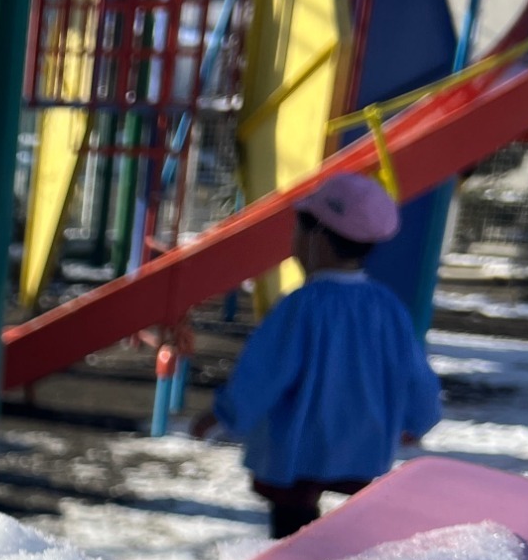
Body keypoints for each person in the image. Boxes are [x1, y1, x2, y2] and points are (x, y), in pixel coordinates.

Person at [190, 172, 443, 539]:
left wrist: (223, 414)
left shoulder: (301, 306)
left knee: (293, 536)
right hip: (363, 449)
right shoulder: (387, 307)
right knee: (351, 540)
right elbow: (415, 374)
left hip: (297, 453)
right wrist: (419, 419)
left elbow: (264, 373)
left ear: (317, 236)